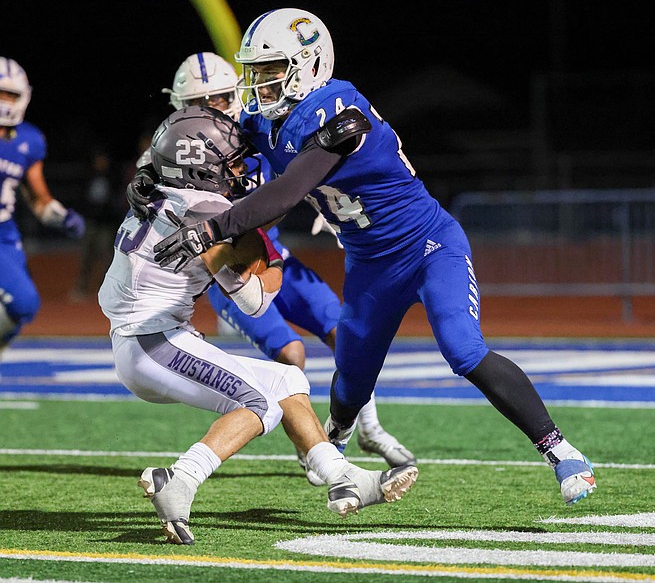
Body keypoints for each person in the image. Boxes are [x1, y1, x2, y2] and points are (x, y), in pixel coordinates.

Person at [136, 9, 597, 506]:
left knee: (462, 349)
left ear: (309, 64)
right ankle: (337, 442)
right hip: (369, 264)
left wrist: (212, 228)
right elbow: (203, 140)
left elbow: (288, 191)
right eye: (257, 72)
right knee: (352, 378)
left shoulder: (340, 108)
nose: (260, 85)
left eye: (271, 70)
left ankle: (561, 449)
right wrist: (149, 172)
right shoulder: (265, 122)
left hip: (427, 246)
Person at [99, 106, 418, 545]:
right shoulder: (205, 206)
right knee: (259, 405)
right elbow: (254, 301)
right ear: (200, 163)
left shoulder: (158, 188)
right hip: (152, 341)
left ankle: (341, 475)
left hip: (150, 336)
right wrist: (269, 258)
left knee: (287, 380)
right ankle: (181, 480)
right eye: (228, 162)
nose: (238, 171)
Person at [138, 51, 417, 479]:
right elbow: (154, 166)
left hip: (274, 255)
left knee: (346, 333)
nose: (214, 107)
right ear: (182, 108)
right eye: (201, 101)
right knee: (291, 352)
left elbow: (297, 172)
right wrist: (139, 179)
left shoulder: (253, 125)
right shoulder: (187, 145)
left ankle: (370, 427)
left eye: (220, 97)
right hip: (227, 267)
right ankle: (310, 449)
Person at [0, 57, 85, 353]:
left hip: (4, 235)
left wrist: (60, 217)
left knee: (22, 308)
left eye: (10, 94)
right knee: (23, 302)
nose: (4, 101)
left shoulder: (27, 139)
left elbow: (39, 199)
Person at [70, 145, 124, 300]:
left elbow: (116, 200)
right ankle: (82, 287)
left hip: (106, 224)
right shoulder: (88, 176)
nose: (101, 162)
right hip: (91, 222)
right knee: (86, 257)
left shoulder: (112, 177)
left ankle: (107, 290)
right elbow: (81, 197)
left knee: (107, 257)